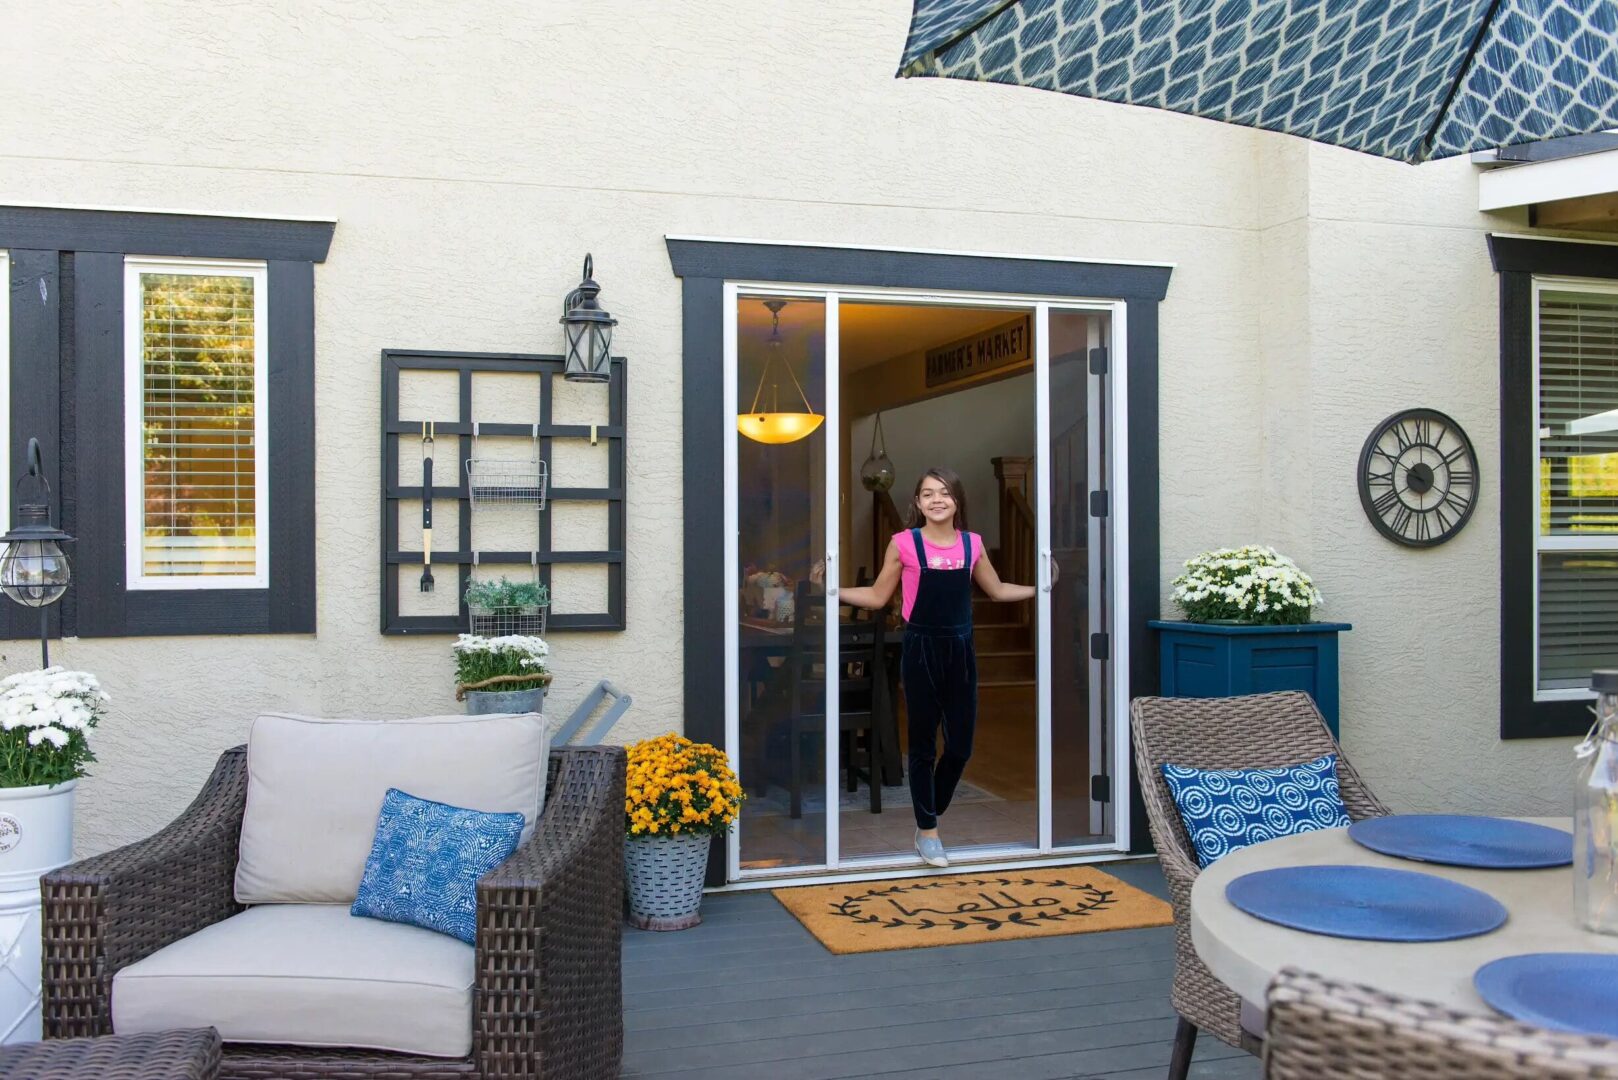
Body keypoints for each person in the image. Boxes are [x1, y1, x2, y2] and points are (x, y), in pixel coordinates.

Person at [833, 466, 1043, 868]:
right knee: (924, 745)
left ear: (957, 500)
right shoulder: (904, 543)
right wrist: (833, 591)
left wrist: (1040, 589)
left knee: (961, 747)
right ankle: (927, 831)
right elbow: (878, 597)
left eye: (944, 493)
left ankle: (930, 808)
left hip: (961, 650)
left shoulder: (972, 545)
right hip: (920, 648)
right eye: (927, 494)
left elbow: (997, 591)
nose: (936, 500)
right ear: (917, 503)